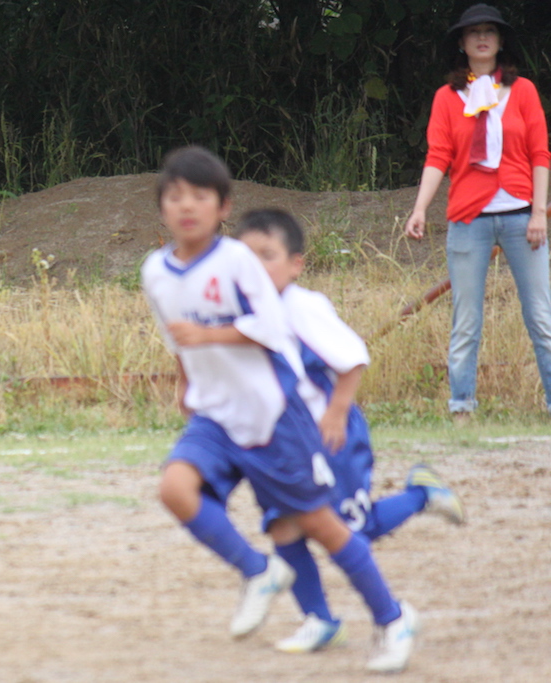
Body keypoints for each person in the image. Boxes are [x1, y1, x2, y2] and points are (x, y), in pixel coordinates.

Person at [142, 146, 417, 673]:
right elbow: (175, 335)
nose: (186, 206)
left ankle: (392, 617)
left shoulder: (237, 262)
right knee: (175, 489)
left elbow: (270, 329)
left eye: (200, 196)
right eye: (174, 197)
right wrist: (185, 382)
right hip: (216, 415)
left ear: (223, 207)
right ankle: (258, 571)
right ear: (161, 208)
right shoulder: (155, 270)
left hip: (272, 416)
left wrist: (208, 335)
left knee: (320, 524)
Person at [235, 208, 466, 654]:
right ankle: (319, 619)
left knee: (352, 528)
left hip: (331, 436)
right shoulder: (244, 314)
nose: (257, 269)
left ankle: (421, 494)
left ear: (296, 264)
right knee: (282, 523)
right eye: (247, 259)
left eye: (268, 255)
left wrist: (337, 414)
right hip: (286, 443)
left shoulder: (302, 306)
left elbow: (353, 356)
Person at [404, 3, 551, 419]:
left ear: (500, 42)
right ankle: (462, 407)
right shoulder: (447, 98)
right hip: (469, 218)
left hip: (522, 215)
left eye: (489, 31)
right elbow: (438, 156)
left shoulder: (523, 91)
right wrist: (420, 208)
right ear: (462, 44)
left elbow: (540, 154)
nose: (482, 38)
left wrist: (539, 212)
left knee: (542, 318)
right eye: (473, 32)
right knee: (466, 319)